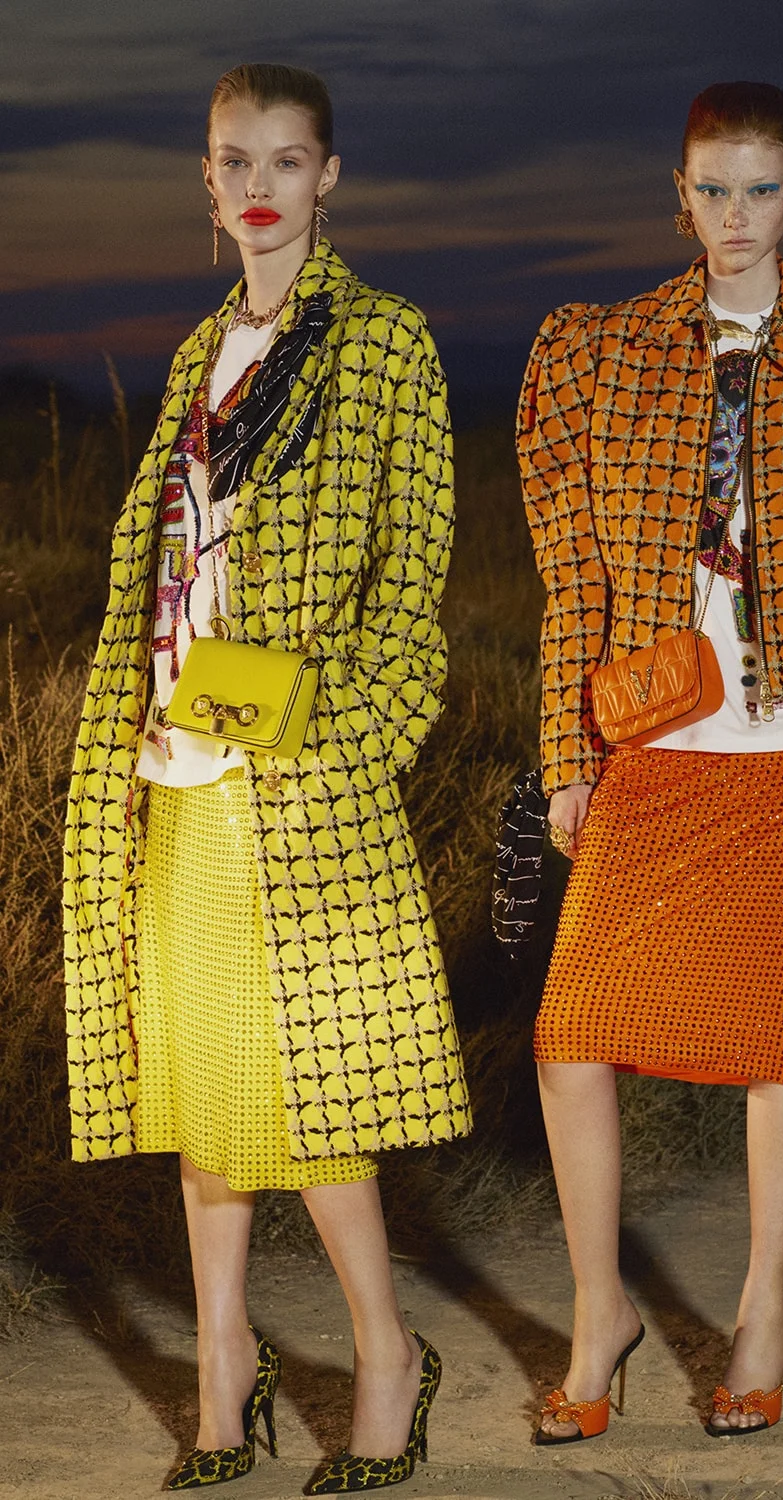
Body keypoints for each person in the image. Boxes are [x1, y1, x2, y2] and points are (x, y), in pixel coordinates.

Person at [517, 80, 783, 1442]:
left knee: (774, 1029)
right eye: (713, 188)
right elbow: (574, 579)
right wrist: (565, 753)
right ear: (681, 192)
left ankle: (764, 1305)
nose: (736, 215)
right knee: (571, 1034)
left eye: (762, 188)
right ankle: (601, 1309)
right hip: (654, 736)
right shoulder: (598, 354)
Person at [62, 62, 470, 1493]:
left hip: (292, 767)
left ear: (327, 177)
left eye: (286, 161)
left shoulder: (383, 339)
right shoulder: (197, 352)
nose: (258, 186)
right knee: (199, 1088)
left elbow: (411, 582)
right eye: (235, 160)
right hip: (172, 764)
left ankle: (387, 1356)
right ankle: (225, 1363)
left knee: (311, 1090)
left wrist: (335, 730)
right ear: (207, 175)